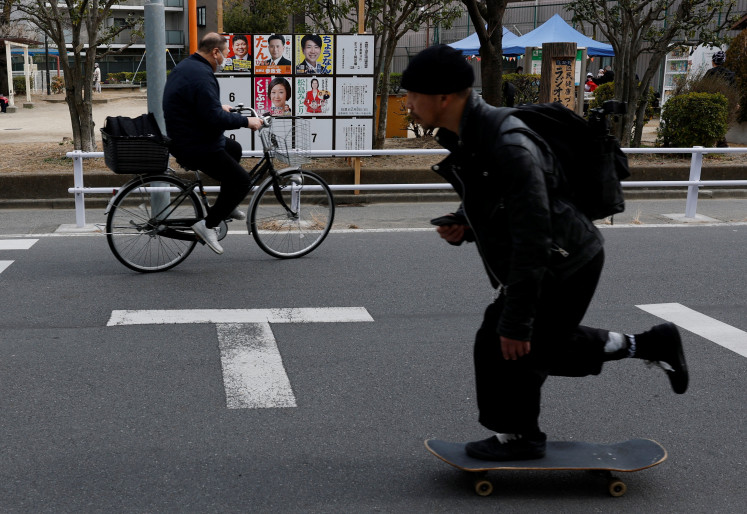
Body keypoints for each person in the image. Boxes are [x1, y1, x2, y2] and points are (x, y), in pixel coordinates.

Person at [402, 45, 688, 462]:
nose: (407, 103)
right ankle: (649, 344)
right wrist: (465, 222)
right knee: (517, 342)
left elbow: (534, 232)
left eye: (412, 94)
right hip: (553, 253)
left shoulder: (507, 144)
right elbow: (500, 199)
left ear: (443, 97)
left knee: (515, 343)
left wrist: (518, 322)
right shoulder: (472, 133)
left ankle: (522, 437)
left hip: (565, 260)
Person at [163, 32, 264, 255]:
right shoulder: (202, 75)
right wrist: (247, 121)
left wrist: (220, 108)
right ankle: (208, 225)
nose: (226, 59)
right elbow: (214, 119)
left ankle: (227, 205)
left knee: (234, 149)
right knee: (242, 181)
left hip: (188, 136)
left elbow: (199, 106)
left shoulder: (189, 66)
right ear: (215, 52)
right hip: (195, 144)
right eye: (225, 53)